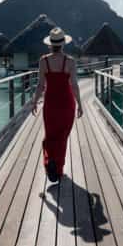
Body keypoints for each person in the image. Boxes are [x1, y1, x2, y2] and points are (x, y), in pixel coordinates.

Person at [31, 27, 83, 182]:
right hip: (67, 103)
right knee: (62, 137)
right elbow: (74, 85)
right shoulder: (70, 61)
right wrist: (80, 103)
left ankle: (50, 161)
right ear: (63, 44)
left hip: (51, 104)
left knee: (51, 135)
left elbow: (40, 85)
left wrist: (34, 101)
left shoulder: (43, 61)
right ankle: (57, 169)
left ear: (50, 44)